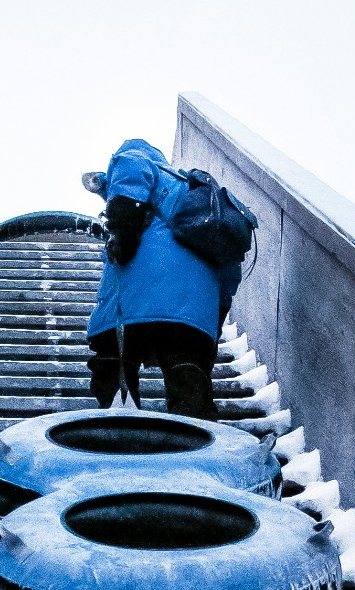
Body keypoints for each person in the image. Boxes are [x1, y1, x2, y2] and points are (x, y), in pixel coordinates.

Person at [82, 138, 241, 420]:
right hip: (195, 314)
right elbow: (229, 274)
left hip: (135, 303)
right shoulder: (196, 200)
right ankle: (195, 442)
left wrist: (122, 237)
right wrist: (211, 323)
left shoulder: (133, 158)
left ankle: (122, 433)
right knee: (188, 374)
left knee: (113, 363)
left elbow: (130, 181)